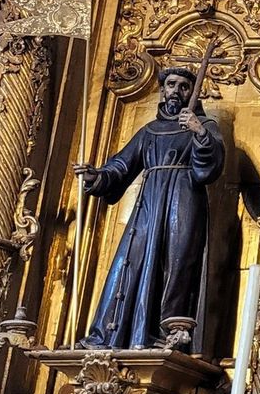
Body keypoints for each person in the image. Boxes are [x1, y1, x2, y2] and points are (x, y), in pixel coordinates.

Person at [74, 66, 225, 351]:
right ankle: (108, 336)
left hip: (184, 200)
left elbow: (210, 167)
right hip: (149, 204)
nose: (176, 91)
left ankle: (165, 334)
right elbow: (122, 165)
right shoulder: (149, 131)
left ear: (192, 92)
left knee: (176, 265)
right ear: (162, 89)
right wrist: (97, 176)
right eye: (171, 84)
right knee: (129, 262)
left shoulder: (205, 125)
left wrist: (199, 132)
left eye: (184, 86)